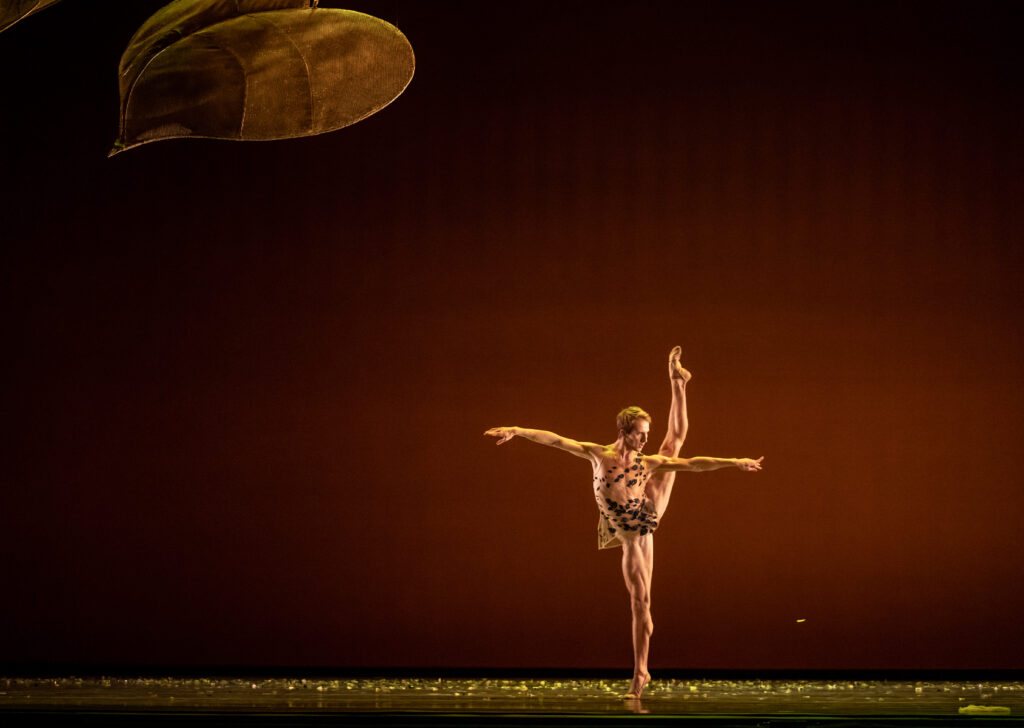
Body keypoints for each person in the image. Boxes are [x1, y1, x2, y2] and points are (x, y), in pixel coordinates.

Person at [484, 347, 763, 698]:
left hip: (643, 520)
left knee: (673, 450)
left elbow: (695, 464)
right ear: (623, 431)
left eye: (647, 433)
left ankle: (639, 673)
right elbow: (556, 439)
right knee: (639, 603)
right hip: (624, 529)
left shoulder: (647, 463)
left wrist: (734, 461)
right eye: (640, 434)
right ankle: (680, 381)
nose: (645, 439)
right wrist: (517, 429)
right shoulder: (598, 454)